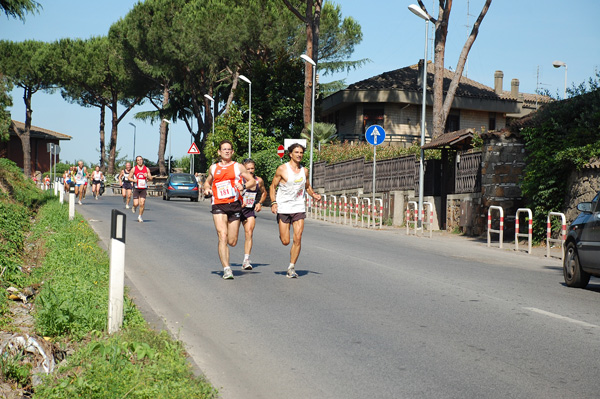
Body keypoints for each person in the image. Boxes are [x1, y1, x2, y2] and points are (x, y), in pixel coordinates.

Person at [203, 140, 256, 280]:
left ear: (232, 152)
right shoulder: (213, 168)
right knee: (222, 235)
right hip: (218, 204)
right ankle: (227, 269)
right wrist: (207, 188)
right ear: (219, 152)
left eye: (229, 149)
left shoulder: (238, 167)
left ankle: (225, 250)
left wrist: (243, 187)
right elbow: (207, 182)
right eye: (224, 149)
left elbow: (252, 181)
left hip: (234, 205)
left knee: (232, 241)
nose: (226, 151)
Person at [269, 143, 321, 278]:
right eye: (296, 152)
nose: (299, 155)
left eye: (301, 152)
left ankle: (291, 267)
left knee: (298, 237)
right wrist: (274, 202)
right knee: (285, 241)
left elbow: (307, 186)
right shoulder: (282, 169)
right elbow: (272, 186)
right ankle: (283, 234)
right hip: (284, 207)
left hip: (298, 207)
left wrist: (314, 194)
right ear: (290, 154)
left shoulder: (305, 171)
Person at [239, 158, 267, 270]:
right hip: (236, 210)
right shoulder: (239, 180)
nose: (250, 171)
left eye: (252, 168)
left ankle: (246, 260)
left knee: (249, 232)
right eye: (248, 169)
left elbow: (264, 192)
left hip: (249, 210)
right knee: (232, 239)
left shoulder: (258, 180)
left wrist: (259, 203)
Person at [129, 156, 153, 223]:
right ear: (136, 161)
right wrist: (134, 180)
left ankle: (140, 216)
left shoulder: (146, 169)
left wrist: (147, 176)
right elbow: (129, 177)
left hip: (143, 188)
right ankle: (134, 206)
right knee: (136, 203)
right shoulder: (134, 169)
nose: (140, 161)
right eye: (138, 160)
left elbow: (151, 178)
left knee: (142, 203)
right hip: (136, 188)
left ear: (142, 160)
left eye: (141, 160)